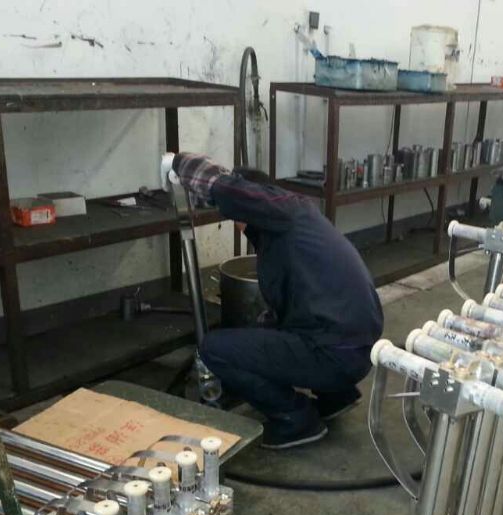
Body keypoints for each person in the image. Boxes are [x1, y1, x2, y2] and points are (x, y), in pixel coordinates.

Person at [162, 153, 383, 449]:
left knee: (215, 348)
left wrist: (177, 162)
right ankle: (336, 396)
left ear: (252, 200)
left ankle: (296, 420)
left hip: (335, 356)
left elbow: (220, 185)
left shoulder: (284, 213)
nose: (235, 221)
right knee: (270, 331)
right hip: (359, 350)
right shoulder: (298, 221)